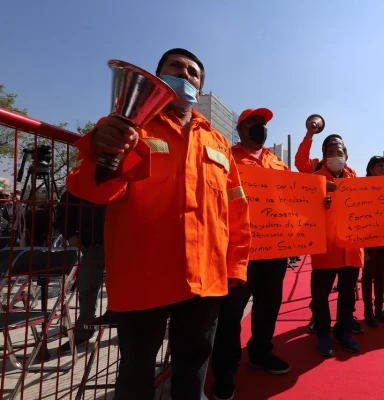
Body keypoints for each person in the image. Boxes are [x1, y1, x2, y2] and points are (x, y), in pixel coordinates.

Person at [66, 48, 251, 400]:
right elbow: (88, 187)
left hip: (205, 280)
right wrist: (104, 150)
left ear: (200, 86)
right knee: (136, 372)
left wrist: (236, 265)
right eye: (175, 67)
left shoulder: (218, 141)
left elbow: (236, 207)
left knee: (193, 367)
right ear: (156, 76)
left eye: (193, 73)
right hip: (143, 277)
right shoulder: (127, 125)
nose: (185, 75)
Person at [210, 108, 289, 400]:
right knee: (230, 315)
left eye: (264, 124)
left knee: (269, 306)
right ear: (241, 129)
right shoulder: (227, 156)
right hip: (237, 250)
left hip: (275, 250)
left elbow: (293, 200)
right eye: (254, 123)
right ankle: (225, 371)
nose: (261, 128)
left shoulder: (277, 162)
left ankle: (260, 352)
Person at [310, 139, 363, 356]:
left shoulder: (356, 179)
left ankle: (342, 331)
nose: (335, 156)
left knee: (347, 293)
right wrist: (319, 197)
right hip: (326, 246)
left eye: (338, 152)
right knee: (321, 295)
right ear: (323, 156)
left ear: (346, 156)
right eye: (330, 152)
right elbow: (301, 209)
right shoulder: (314, 180)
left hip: (351, 247)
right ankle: (323, 333)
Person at [55, 191, 110, 350]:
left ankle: (127, 328)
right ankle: (83, 331)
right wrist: (70, 234)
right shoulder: (77, 183)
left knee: (124, 287)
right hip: (92, 243)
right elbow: (63, 213)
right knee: (86, 288)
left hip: (120, 240)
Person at [361, 155, 384, 327]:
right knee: (368, 274)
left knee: (380, 273)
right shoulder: (360, 187)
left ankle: (379, 308)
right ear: (371, 168)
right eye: (380, 165)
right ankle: (367, 310)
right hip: (367, 239)